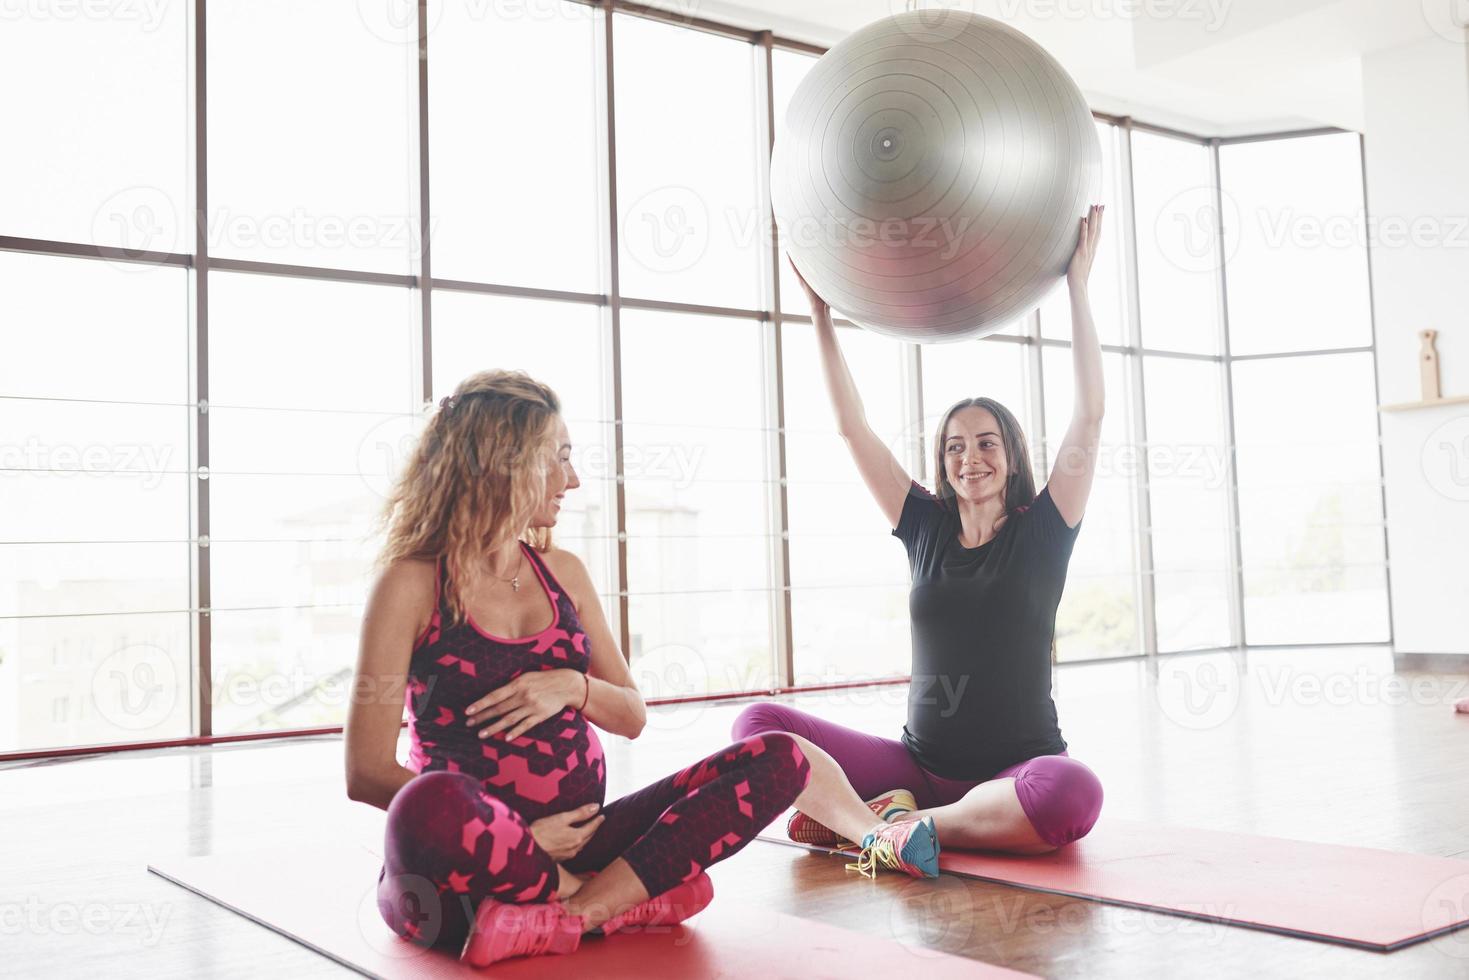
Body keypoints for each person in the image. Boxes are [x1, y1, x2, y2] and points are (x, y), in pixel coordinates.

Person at [343, 369, 920, 967]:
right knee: (429, 803)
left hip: (586, 839)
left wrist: (572, 686)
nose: (573, 479)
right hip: (461, 870)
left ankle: (575, 912)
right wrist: (515, 837)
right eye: (557, 458)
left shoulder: (562, 573)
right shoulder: (410, 584)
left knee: (782, 758)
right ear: (503, 463)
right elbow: (364, 771)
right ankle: (620, 898)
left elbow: (632, 714)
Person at [734, 205, 1109, 858]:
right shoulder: (922, 526)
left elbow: (1091, 415)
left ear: (1012, 456)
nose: (970, 458)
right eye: (954, 447)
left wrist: (1076, 285)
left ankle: (910, 826)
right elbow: (854, 429)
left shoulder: (1044, 530)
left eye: (986, 443)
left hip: (1014, 771)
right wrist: (821, 318)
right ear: (941, 464)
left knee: (1071, 794)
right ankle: (878, 826)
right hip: (914, 763)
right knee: (756, 725)